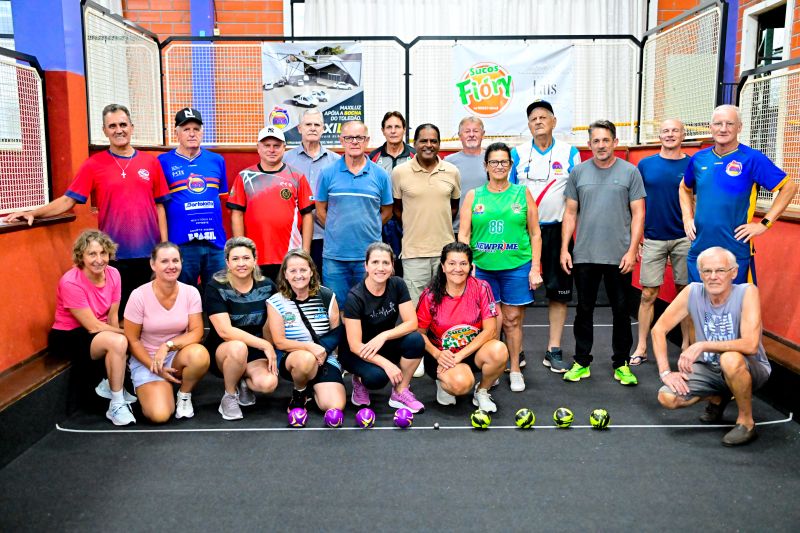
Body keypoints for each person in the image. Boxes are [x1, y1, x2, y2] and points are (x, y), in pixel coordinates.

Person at [4, 103, 170, 319]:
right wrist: (34, 213)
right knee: (120, 317)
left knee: (149, 314)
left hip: (148, 253)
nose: (118, 130)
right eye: (112, 126)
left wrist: (164, 247)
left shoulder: (151, 163)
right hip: (113, 255)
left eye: (123, 125)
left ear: (132, 127)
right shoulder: (94, 164)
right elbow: (68, 200)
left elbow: (160, 206)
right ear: (104, 131)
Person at [651, 247, 770, 446]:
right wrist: (665, 372)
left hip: (747, 367)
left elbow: (750, 345)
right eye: (707, 271)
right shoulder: (692, 292)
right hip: (708, 368)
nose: (713, 276)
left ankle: (746, 422)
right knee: (667, 397)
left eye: (720, 270)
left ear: (733, 272)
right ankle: (718, 396)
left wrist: (703, 345)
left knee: (729, 359)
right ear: (700, 274)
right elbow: (658, 330)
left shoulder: (747, 292)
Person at [560, 119, 645, 386]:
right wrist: (565, 249)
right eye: (595, 141)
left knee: (621, 311)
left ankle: (621, 364)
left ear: (615, 142)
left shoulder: (630, 172)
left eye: (606, 140)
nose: (601, 145)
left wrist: (632, 250)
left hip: (619, 256)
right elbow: (570, 213)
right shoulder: (578, 173)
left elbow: (638, 214)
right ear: (589, 144)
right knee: (583, 310)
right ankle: (581, 362)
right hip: (585, 254)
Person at [680, 104, 798, 284]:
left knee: (735, 301)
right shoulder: (699, 159)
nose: (723, 129)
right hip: (700, 248)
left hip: (734, 250)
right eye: (718, 124)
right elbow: (684, 188)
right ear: (711, 127)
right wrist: (687, 218)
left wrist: (764, 224)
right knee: (698, 300)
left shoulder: (752, 158)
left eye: (730, 124)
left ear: (740, 127)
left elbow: (789, 187)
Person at [459, 142, 542, 392]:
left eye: (503, 162)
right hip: (483, 268)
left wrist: (535, 268)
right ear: (486, 166)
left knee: (512, 320)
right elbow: (464, 234)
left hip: (516, 266)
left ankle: (514, 368)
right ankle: (493, 369)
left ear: (510, 165)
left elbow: (535, 233)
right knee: (492, 323)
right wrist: (468, 264)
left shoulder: (522, 193)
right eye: (493, 162)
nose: (499, 166)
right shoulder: (474, 196)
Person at [510, 100, 582, 373]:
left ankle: (554, 349)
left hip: (557, 232)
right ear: (528, 125)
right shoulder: (517, 154)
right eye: (533, 118)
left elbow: (575, 198)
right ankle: (516, 350)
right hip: (523, 233)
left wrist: (566, 243)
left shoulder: (570, 153)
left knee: (559, 294)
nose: (538, 121)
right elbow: (510, 195)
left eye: (543, 117)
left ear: (554, 121)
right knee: (517, 294)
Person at [49, 230, 136, 426]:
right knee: (120, 340)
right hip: (69, 335)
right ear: (81, 256)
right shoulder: (71, 282)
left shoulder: (113, 274)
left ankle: (113, 384)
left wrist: (125, 337)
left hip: (100, 329)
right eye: (92, 254)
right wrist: (128, 335)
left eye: (103, 253)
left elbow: (113, 316)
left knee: (121, 341)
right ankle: (116, 404)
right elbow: (92, 326)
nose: (99, 259)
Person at [123, 242, 210, 423]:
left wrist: (167, 346)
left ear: (181, 262)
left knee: (199, 354)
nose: (171, 266)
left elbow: (197, 332)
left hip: (175, 355)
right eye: (164, 261)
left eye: (175, 261)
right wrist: (155, 367)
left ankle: (184, 395)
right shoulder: (138, 296)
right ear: (153, 264)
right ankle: (153, 386)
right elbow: (132, 340)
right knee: (160, 416)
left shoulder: (191, 292)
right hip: (147, 359)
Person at [417, 242, 508, 412]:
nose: (457, 269)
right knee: (461, 384)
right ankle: (443, 382)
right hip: (442, 356)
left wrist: (459, 356)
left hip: (472, 352)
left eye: (463, 263)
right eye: (452, 263)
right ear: (443, 267)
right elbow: (419, 333)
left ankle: (482, 391)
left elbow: (490, 330)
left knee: (499, 350)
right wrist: (438, 354)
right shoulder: (430, 295)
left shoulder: (481, 288)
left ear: (470, 266)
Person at [339, 242, 426, 413]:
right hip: (356, 351)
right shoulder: (355, 296)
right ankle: (359, 380)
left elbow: (412, 323)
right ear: (366, 266)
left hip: (382, 344)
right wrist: (387, 364)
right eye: (375, 262)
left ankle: (400, 391)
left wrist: (384, 335)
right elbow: (355, 345)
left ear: (392, 266)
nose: (380, 268)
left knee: (416, 340)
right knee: (377, 378)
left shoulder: (397, 284)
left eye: (386, 263)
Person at [632, 119, 691, 365]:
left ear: (683, 135)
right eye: (665, 131)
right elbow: (635, 203)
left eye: (675, 130)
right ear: (659, 136)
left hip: (684, 238)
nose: (670, 134)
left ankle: (687, 345)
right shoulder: (645, 165)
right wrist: (636, 238)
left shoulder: (691, 164)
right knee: (648, 294)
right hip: (653, 238)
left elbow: (697, 199)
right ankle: (641, 346)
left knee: (686, 293)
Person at [316, 120, 394, 307]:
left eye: (359, 137)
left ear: (367, 140)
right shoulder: (327, 173)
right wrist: (336, 229)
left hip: (369, 257)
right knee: (337, 309)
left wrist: (369, 228)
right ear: (341, 140)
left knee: (369, 308)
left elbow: (387, 212)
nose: (354, 142)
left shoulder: (380, 175)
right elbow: (320, 211)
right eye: (349, 137)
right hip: (335, 257)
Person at [205, 237, 279, 421]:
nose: (241, 264)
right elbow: (225, 331)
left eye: (246, 258)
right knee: (238, 347)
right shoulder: (216, 287)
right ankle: (229, 395)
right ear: (227, 262)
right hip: (226, 349)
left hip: (255, 350)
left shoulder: (267, 286)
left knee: (268, 383)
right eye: (235, 259)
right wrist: (265, 345)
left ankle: (242, 381)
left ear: (255, 260)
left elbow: (274, 321)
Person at [227, 126, 314, 282]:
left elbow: (307, 216)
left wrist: (305, 252)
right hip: (255, 257)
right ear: (258, 148)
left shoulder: (297, 177)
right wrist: (241, 252)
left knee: (288, 296)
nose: (272, 150)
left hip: (290, 257)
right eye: (267, 145)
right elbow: (237, 214)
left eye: (276, 145)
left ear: (284, 148)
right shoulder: (244, 176)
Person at [267, 249, 346, 414]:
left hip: (325, 358)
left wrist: (330, 357)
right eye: (293, 271)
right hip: (294, 359)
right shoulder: (276, 301)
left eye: (303, 270)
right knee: (305, 360)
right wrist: (310, 347)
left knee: (334, 406)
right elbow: (279, 342)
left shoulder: (327, 296)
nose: (298, 275)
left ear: (311, 271)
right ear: (285, 274)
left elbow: (336, 333)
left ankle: (312, 386)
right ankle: (300, 391)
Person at [158, 107, 228, 293]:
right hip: (181, 244)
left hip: (215, 244)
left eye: (196, 129)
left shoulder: (217, 160)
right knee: (182, 295)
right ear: (177, 133)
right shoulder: (163, 162)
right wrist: (165, 243)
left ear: (202, 132)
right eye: (186, 129)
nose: (191, 133)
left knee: (218, 295)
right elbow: (160, 205)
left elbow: (220, 200)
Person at [393, 123, 461, 303]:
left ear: (439, 144)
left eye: (433, 141)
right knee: (416, 308)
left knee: (446, 307)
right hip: (413, 254)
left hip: (445, 254)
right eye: (423, 141)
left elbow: (454, 206)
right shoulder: (399, 172)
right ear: (414, 143)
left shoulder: (452, 171)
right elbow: (397, 209)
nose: (429, 145)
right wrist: (414, 224)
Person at [284, 109, 342, 271]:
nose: (313, 128)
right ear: (299, 128)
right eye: (308, 124)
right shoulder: (286, 159)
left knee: (323, 281)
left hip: (326, 235)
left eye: (317, 125)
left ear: (323, 129)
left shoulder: (336, 161)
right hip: (293, 236)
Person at [369, 111, 416, 277]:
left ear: (404, 129)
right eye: (389, 127)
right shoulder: (373, 157)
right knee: (383, 265)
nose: (393, 131)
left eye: (397, 127)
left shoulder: (415, 156)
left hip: (408, 220)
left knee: (407, 266)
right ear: (383, 130)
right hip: (382, 220)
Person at [446, 116, 487, 241]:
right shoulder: (448, 162)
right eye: (467, 131)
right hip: (456, 228)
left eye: (476, 131)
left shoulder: (492, 160)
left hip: (486, 229)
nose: (471, 135)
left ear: (483, 134)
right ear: (460, 135)